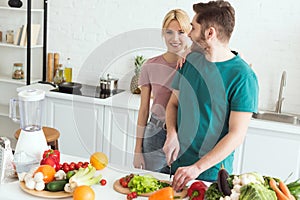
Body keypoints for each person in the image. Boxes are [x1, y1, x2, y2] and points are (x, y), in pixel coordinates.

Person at [163, 0, 259, 191]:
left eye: (193, 27)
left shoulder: (243, 76)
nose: (189, 33)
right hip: (177, 167)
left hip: (210, 176)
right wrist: (171, 134)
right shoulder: (190, 61)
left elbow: (236, 134)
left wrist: (197, 168)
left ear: (210, 33)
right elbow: (173, 104)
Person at [133, 9, 191, 172]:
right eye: (169, 32)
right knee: (152, 188)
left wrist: (190, 52)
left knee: (180, 191)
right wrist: (138, 149)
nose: (175, 38)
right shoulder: (150, 65)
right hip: (155, 133)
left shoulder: (195, 65)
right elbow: (144, 110)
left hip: (185, 136)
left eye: (181, 32)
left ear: (189, 34)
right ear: (163, 34)